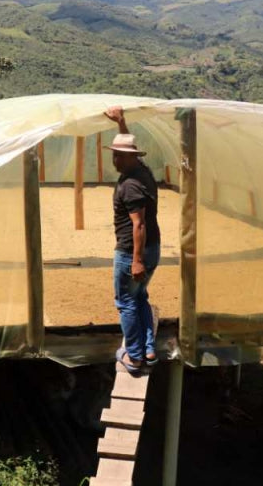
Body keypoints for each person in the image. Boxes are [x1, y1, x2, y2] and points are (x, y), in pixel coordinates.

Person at [104, 106, 161, 375]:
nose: (114, 160)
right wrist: (121, 124)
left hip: (132, 252)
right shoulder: (143, 173)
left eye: (117, 156)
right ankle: (149, 350)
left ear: (128, 158)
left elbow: (138, 225)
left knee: (126, 301)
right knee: (140, 298)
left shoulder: (129, 186)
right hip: (153, 249)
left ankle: (135, 357)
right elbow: (130, 150)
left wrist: (136, 261)